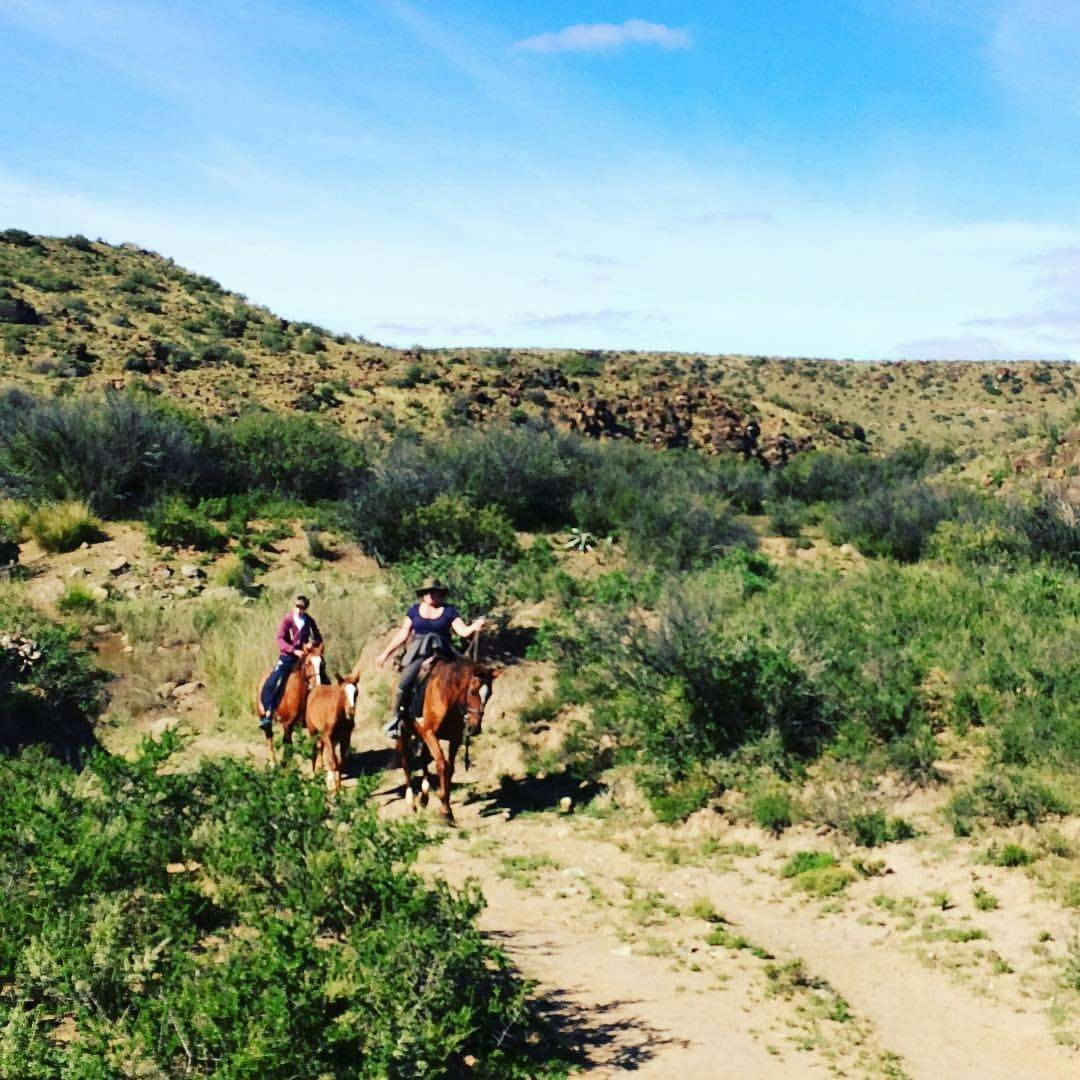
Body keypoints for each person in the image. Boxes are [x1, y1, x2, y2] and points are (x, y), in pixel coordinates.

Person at [375, 578, 484, 739]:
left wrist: (475, 626)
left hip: (443, 652)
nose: (431, 595)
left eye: (434, 592)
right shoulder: (414, 610)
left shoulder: (449, 611)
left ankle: (465, 719)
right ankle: (397, 719)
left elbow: (463, 631)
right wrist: (385, 653)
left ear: (441, 594)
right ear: (423, 595)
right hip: (419, 653)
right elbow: (403, 634)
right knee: (404, 680)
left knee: (468, 681)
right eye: (427, 592)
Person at [259, 594, 323, 732]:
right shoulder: (287, 620)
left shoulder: (309, 620)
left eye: (302, 607)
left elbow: (318, 637)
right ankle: (269, 713)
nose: (300, 609)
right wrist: (293, 651)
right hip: (288, 657)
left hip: (305, 658)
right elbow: (280, 639)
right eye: (297, 606)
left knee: (321, 676)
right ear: (294, 606)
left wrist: (312, 644)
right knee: (276, 681)